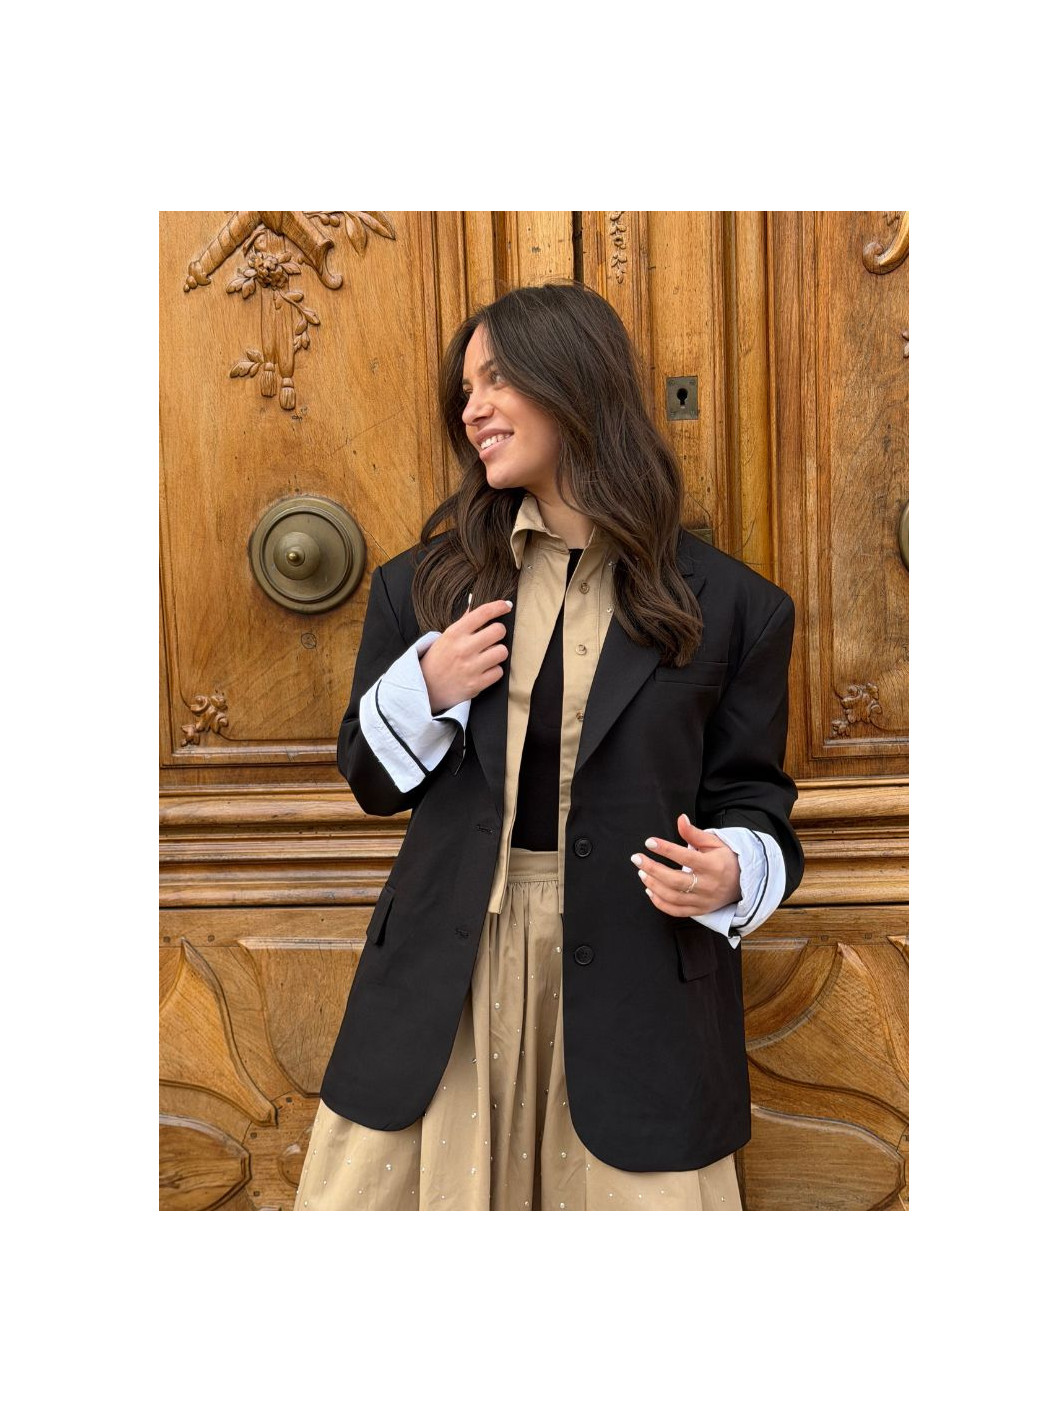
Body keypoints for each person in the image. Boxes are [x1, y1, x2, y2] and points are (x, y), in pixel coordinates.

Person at [294, 281, 802, 1211]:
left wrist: (733, 871)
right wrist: (426, 687)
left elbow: (754, 799)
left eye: (496, 380)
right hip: (448, 979)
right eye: (465, 391)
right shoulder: (424, 587)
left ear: (574, 382)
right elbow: (368, 779)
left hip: (639, 984)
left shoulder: (733, 607)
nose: (472, 409)